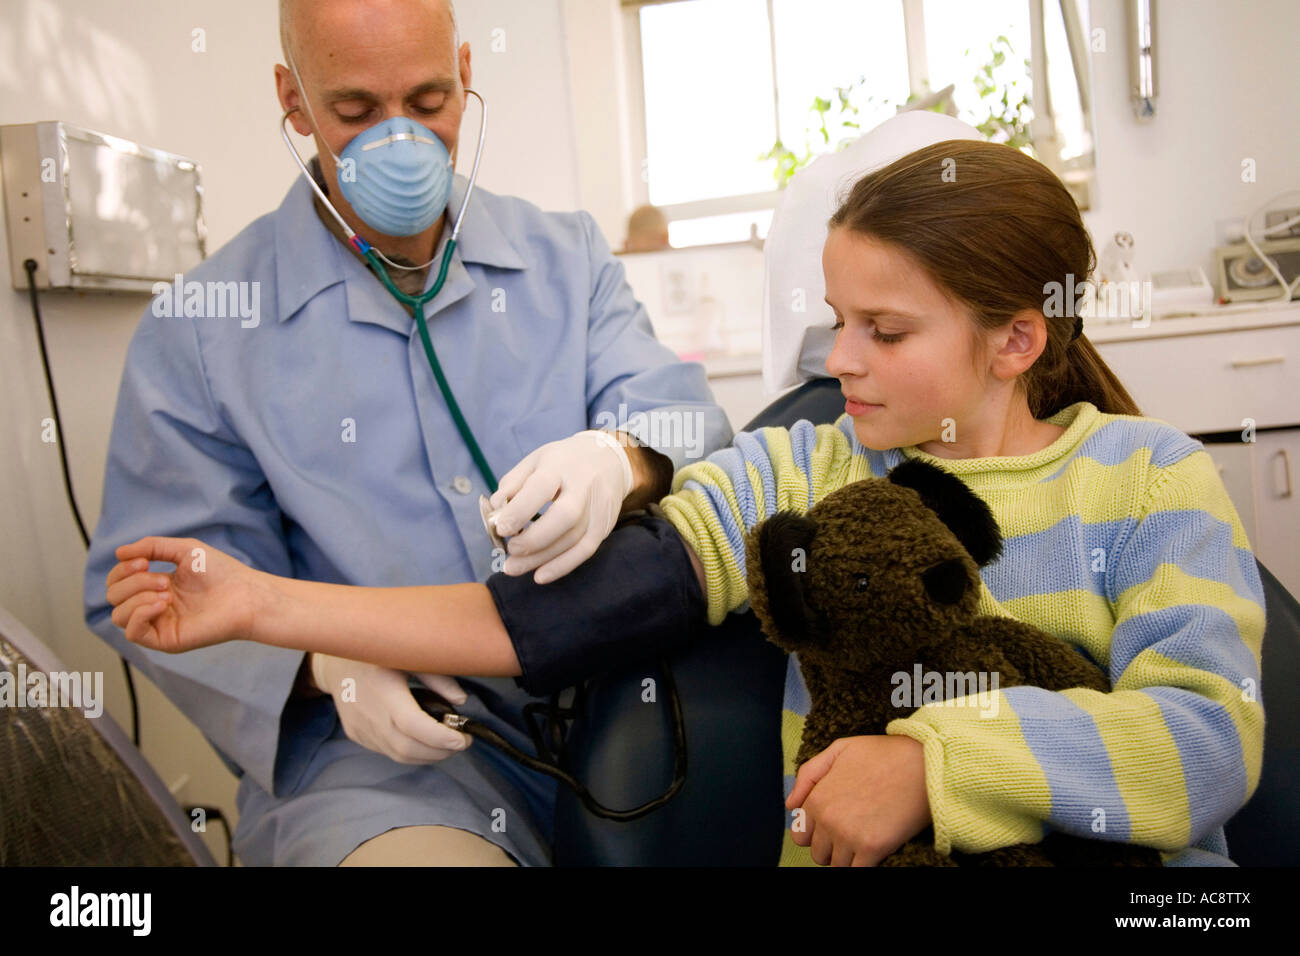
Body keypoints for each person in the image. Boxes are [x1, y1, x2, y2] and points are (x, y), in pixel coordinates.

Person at [104, 138, 1266, 867]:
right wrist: (266, 605)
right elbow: (536, 625)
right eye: (833, 318)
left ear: (1017, 337)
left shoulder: (1148, 477)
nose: (838, 359)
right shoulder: (803, 472)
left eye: (885, 330)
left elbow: (1208, 744)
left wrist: (929, 765)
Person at [82, 0, 733, 867]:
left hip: (620, 710)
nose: (402, 139)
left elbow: (687, 419)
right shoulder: (202, 332)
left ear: (466, 74)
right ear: (293, 99)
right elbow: (160, 588)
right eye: (355, 111)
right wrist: (323, 668)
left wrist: (620, 459)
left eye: (429, 101)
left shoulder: (565, 261)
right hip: (380, 763)